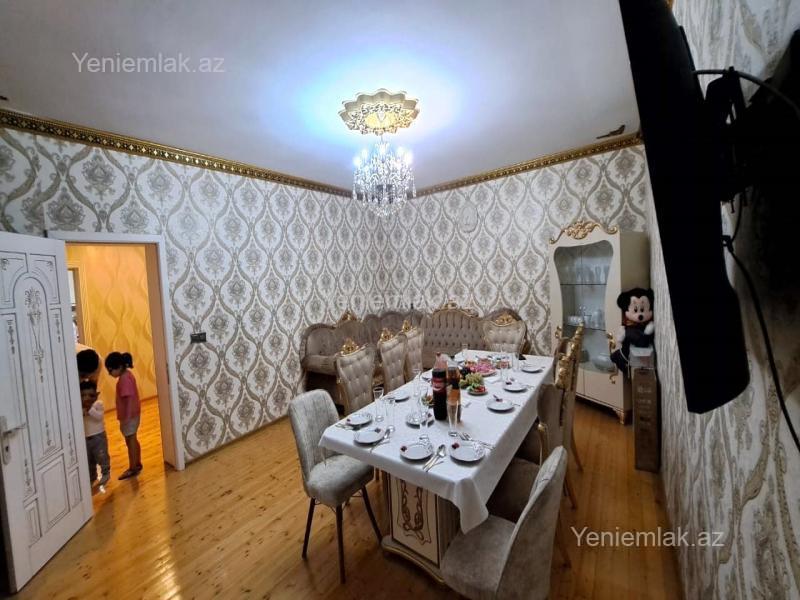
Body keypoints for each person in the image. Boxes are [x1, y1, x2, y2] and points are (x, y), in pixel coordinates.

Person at [105, 352, 142, 480]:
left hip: (129, 417)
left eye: (110, 370)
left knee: (130, 441)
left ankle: (133, 468)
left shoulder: (124, 379)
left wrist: (126, 418)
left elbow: (128, 399)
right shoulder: (127, 375)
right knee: (133, 439)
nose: (109, 373)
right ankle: (137, 463)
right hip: (133, 415)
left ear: (119, 367)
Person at [80, 380, 110, 486]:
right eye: (83, 395)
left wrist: (89, 408)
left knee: (101, 455)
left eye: (91, 395)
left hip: (98, 436)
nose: (86, 398)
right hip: (86, 437)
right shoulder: (79, 406)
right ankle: (92, 476)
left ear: (96, 395)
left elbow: (99, 417)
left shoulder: (98, 404)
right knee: (89, 458)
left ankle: (105, 472)